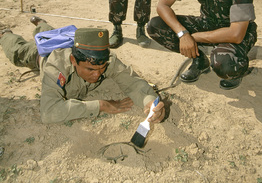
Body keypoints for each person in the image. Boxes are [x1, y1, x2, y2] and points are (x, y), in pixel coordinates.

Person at [0, 17, 165, 124]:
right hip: (40, 55)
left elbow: (133, 83)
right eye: (90, 69)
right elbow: (49, 112)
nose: (97, 74)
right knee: (17, 51)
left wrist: (149, 101)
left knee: (47, 32)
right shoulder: (55, 67)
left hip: (69, 43)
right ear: (73, 60)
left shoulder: (107, 61)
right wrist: (99, 105)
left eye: (101, 69)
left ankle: (40, 23)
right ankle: (5, 33)